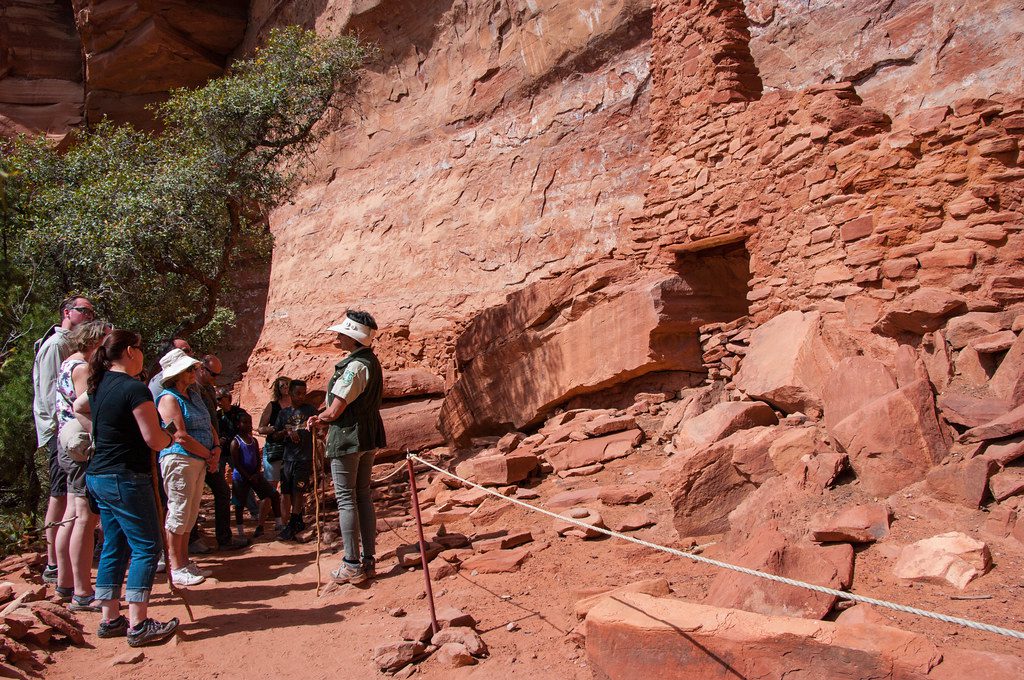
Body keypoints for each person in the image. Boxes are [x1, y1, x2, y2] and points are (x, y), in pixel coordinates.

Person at [79, 330, 181, 647]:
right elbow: (153, 439)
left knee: (115, 545)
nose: (142, 355)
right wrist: (170, 437)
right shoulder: (134, 388)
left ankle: (110, 618)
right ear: (129, 351)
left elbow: (79, 407)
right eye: (140, 348)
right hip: (126, 476)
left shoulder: (98, 387)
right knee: (147, 546)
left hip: (100, 475)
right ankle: (138, 624)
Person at [309, 311, 386, 584]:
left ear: (352, 338)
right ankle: (368, 559)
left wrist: (320, 419)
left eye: (341, 333)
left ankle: (351, 562)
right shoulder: (370, 362)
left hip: (348, 436)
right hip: (368, 435)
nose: (338, 337)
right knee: (363, 495)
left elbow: (337, 409)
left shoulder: (354, 367)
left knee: (346, 498)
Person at [34, 295, 95, 584]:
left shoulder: (66, 347)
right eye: (84, 311)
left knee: (67, 499)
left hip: (66, 431)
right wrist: (57, 430)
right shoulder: (59, 346)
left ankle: (61, 566)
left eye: (92, 312)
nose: (89, 315)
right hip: (66, 433)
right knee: (61, 498)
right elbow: (49, 391)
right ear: (67, 312)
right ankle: (55, 564)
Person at [53, 320, 109, 611]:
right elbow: (85, 405)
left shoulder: (66, 364)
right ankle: (83, 592)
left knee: (72, 514)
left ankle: (65, 583)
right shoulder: (83, 368)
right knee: (85, 518)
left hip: (66, 441)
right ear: (95, 341)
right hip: (81, 443)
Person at [155, 349, 217, 587]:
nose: (194, 372)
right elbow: (179, 435)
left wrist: (216, 447)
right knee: (179, 511)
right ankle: (175, 564)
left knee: (190, 513)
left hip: (198, 460)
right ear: (178, 373)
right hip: (180, 459)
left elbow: (208, 424)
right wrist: (207, 454)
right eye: (190, 369)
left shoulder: (194, 395)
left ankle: (184, 560)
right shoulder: (168, 398)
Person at [193, 354, 249, 551]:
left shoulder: (207, 388)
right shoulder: (192, 388)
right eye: (212, 374)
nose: (215, 378)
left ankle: (223, 538)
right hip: (195, 450)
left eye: (217, 375)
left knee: (222, 491)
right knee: (193, 494)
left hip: (211, 449)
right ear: (201, 368)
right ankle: (192, 540)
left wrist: (215, 445)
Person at [230, 412, 283, 539]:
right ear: (238, 424)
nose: (248, 425)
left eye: (250, 422)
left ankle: (278, 524)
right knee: (239, 504)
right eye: (245, 422)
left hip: (255, 476)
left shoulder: (253, 440)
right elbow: (236, 463)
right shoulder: (235, 442)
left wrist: (256, 473)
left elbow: (257, 459)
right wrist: (248, 476)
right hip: (241, 478)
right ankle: (240, 531)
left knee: (274, 495)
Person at [276, 380, 315, 541]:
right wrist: (287, 431)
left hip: (304, 458)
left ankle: (294, 521)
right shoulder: (283, 414)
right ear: (290, 394)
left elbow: (320, 427)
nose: (301, 396)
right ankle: (287, 523)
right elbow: (274, 435)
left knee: (298, 491)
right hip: (288, 458)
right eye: (298, 393)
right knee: (285, 492)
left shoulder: (310, 410)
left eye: (303, 393)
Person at [257, 376, 292, 513]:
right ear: (277, 388)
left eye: (287, 385)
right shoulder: (273, 405)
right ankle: (261, 523)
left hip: (291, 450)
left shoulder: (296, 406)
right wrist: (274, 429)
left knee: (288, 487)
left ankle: (285, 520)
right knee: (271, 486)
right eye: (282, 386)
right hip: (274, 449)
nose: (285, 388)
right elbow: (261, 428)